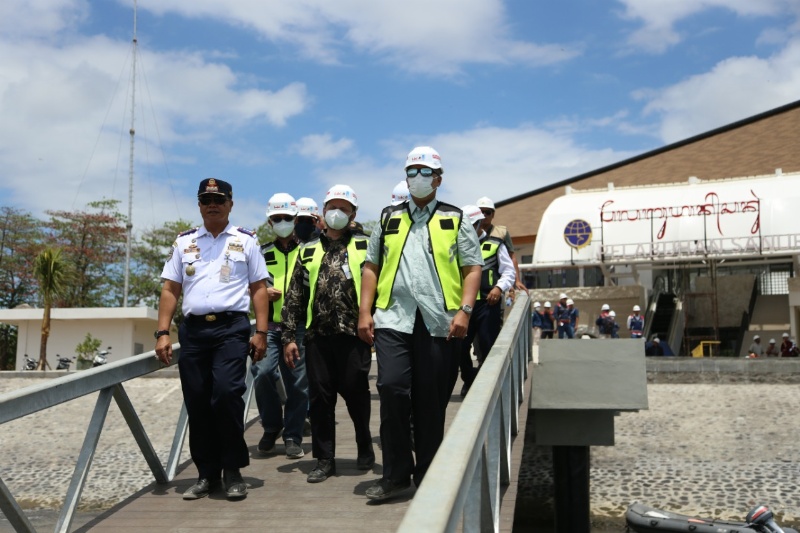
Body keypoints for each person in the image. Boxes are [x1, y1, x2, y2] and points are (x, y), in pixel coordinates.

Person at [358, 146, 482, 501]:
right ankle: (396, 475)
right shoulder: (388, 217)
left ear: (438, 179)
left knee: (430, 403)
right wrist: (365, 312)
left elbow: (472, 267)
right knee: (393, 389)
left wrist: (465, 310)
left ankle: (428, 475)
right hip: (393, 318)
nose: (417, 178)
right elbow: (371, 266)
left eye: (424, 172)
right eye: (411, 171)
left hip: (440, 321)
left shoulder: (455, 218)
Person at [155, 178, 269, 500]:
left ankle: (232, 470)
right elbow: (170, 289)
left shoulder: (246, 241)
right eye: (206, 199)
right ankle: (207, 474)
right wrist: (163, 332)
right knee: (198, 401)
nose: (212, 204)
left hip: (232, 328)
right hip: (194, 332)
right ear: (199, 205)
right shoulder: (184, 243)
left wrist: (260, 332)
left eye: (218, 199)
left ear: (230, 203)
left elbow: (259, 288)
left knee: (227, 393)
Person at [281, 184, 374, 484]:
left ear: (353, 214)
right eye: (332, 207)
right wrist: (288, 337)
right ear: (323, 212)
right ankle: (324, 459)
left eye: (344, 209)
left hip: (355, 335)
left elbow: (381, 287)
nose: (337, 213)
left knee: (356, 392)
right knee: (320, 399)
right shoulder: (307, 249)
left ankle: (364, 443)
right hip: (317, 337)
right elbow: (294, 295)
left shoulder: (367, 245)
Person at [250, 193, 308, 460]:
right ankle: (272, 426)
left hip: (299, 328)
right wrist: (262, 293)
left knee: (297, 382)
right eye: (277, 218)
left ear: (295, 220)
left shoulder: (309, 250)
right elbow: (244, 287)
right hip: (269, 327)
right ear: (269, 222)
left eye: (287, 218)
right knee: (261, 373)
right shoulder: (261, 252)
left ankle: (293, 435)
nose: (282, 222)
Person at [457, 204, 515, 396]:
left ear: (480, 223)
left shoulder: (495, 244)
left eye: (471, 224)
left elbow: (509, 271)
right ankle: (470, 379)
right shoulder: (456, 246)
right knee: (460, 347)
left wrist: (499, 287)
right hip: (463, 306)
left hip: (487, 305)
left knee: (487, 345)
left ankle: (488, 386)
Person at [475, 196, 528, 293]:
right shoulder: (469, 232)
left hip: (494, 284)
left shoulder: (501, 232)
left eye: (488, 212)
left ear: (493, 214)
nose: (484, 215)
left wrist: (517, 280)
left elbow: (512, 257)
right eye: (481, 212)